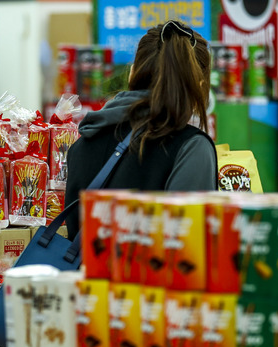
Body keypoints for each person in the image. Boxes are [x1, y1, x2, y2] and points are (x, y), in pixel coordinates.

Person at [64, 20, 218, 239]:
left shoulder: (84, 142)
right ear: (201, 86)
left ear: (132, 73)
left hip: (84, 273)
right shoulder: (191, 148)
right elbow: (188, 246)